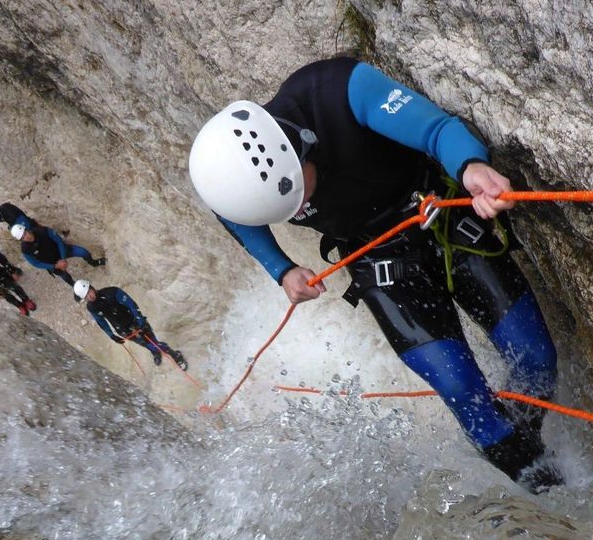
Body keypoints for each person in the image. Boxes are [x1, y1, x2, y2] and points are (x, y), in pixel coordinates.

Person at [188, 57, 559, 489]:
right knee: (463, 393)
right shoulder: (234, 180)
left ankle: (523, 439)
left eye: (297, 197)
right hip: (380, 264)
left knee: (535, 360)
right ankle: (553, 496)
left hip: (440, 217)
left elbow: (437, 131)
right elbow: (233, 216)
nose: (299, 210)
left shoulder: (338, 91)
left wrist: (470, 167)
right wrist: (282, 269)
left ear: (302, 147)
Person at [73, 279, 187, 369]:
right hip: (123, 330)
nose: (90, 296)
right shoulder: (91, 307)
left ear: (92, 287)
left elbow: (131, 304)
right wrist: (112, 336)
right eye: (86, 296)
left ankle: (175, 355)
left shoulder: (112, 292)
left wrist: (140, 322)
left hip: (135, 322)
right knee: (145, 344)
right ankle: (155, 352)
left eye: (89, 292)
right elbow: (101, 321)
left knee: (153, 343)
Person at [11, 222, 105, 286]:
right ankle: (74, 286)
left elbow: (59, 241)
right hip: (51, 262)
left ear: (27, 230)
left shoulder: (43, 231)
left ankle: (94, 263)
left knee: (83, 252)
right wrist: (55, 265)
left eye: (25, 233)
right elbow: (36, 263)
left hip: (61, 250)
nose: (26, 237)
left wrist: (63, 259)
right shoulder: (25, 250)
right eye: (23, 237)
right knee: (65, 276)